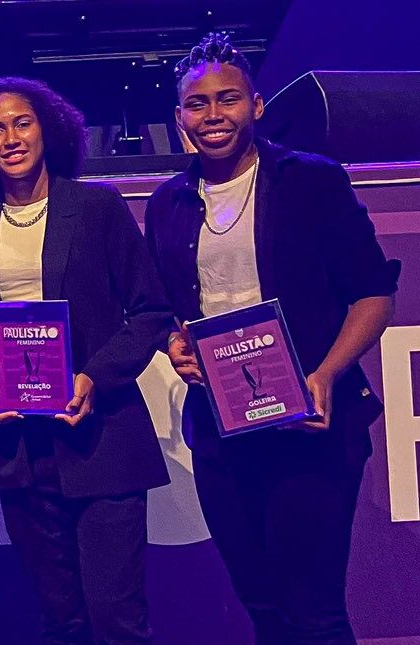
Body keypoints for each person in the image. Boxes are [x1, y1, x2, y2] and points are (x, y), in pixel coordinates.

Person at [146, 32, 399, 644]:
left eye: (228, 99)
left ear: (256, 105)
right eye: (197, 104)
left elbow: (373, 293)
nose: (213, 117)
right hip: (222, 432)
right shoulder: (169, 202)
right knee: (263, 608)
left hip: (310, 423)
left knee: (312, 611)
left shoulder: (311, 181)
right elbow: (158, 307)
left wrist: (326, 376)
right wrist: (173, 343)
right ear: (180, 118)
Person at [0, 76, 175, 645]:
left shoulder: (97, 207)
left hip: (102, 441)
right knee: (59, 620)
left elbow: (149, 311)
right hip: (19, 449)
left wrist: (93, 378)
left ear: (48, 127)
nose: (11, 138)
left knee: (115, 616)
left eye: (22, 123)